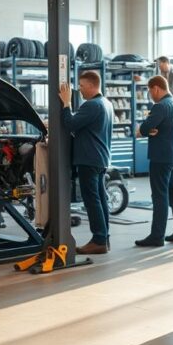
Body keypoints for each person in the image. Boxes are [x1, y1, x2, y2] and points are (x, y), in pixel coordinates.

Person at [59, 71, 114, 255]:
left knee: (92, 200)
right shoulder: (106, 104)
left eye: (81, 86)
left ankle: (98, 240)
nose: (79, 90)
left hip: (88, 159)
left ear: (91, 86)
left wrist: (66, 103)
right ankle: (104, 238)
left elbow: (70, 124)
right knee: (100, 199)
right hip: (100, 158)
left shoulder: (91, 105)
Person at [135, 75, 173, 247]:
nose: (150, 95)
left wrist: (146, 130)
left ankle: (157, 236)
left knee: (159, 195)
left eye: (150, 92)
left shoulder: (161, 106)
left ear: (156, 88)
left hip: (161, 157)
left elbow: (143, 129)